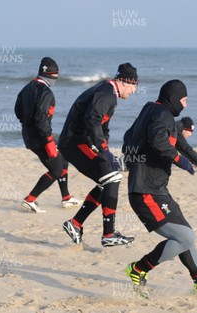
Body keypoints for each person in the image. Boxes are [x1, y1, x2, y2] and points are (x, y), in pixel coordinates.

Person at [122, 80, 197, 298]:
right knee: (185, 238)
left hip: (157, 189)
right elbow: (159, 142)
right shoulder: (162, 115)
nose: (186, 106)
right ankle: (138, 269)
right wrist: (179, 160)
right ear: (173, 98)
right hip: (146, 192)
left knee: (186, 235)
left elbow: (129, 139)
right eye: (184, 100)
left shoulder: (153, 111)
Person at [59, 63, 138, 247]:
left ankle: (75, 224)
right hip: (74, 143)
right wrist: (102, 149)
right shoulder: (107, 93)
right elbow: (92, 119)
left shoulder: (108, 91)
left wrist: (104, 147)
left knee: (108, 181)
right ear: (127, 82)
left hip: (81, 141)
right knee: (113, 177)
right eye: (135, 87)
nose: (134, 91)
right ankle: (108, 234)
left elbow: (102, 126)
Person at [14, 57, 81, 213]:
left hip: (29, 135)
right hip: (40, 139)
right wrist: (49, 142)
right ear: (53, 75)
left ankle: (66, 198)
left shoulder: (27, 87)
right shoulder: (46, 93)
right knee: (56, 169)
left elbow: (17, 111)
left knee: (63, 158)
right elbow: (41, 120)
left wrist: (27, 124)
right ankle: (30, 200)